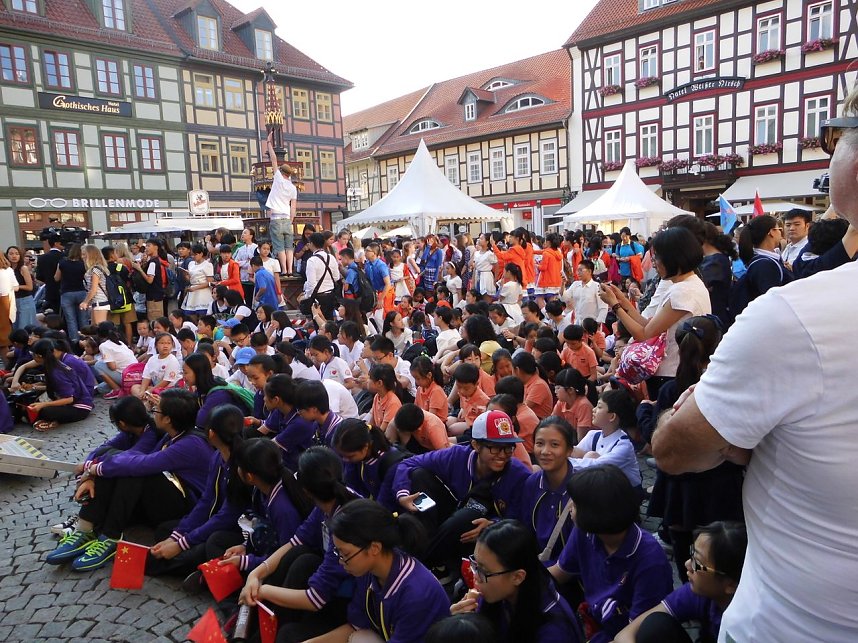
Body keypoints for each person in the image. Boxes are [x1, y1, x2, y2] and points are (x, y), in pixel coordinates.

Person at [649, 91, 858, 642]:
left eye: (835, 137)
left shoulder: (797, 315)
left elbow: (674, 449)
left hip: (795, 625)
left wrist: (730, 428)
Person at [45, 388, 212, 571]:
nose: (152, 413)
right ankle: (86, 528)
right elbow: (117, 452)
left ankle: (111, 537)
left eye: (156, 410)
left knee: (133, 471)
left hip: (186, 506)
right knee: (119, 463)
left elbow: (144, 463)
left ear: (167, 419)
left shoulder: (190, 444)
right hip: (169, 496)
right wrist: (91, 473)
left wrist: (94, 468)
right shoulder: (172, 434)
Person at [238, 446, 360, 642]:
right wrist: (256, 574)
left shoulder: (344, 525)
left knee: (288, 633)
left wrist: (263, 591)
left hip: (351, 601)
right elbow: (296, 541)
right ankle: (260, 629)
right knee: (301, 557)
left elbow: (316, 598)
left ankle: (264, 629)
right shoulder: (330, 503)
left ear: (306, 491)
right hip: (331, 586)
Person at [394, 410, 532, 580]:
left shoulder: (518, 474)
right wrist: (402, 495)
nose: (503, 455)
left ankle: (418, 566)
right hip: (453, 511)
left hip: (479, 531)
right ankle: (434, 561)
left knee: (467, 517)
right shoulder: (457, 456)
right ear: (476, 445)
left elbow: (521, 520)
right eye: (495, 448)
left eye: (508, 448)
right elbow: (408, 463)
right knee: (420, 475)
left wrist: (494, 524)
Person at [549, 466, 673, 642]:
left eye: (575, 505)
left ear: (595, 514)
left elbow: (637, 632)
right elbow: (560, 572)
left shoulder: (650, 561)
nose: (570, 509)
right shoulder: (586, 532)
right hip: (593, 619)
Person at [317, 499, 452, 642]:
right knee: (359, 636)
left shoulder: (416, 595)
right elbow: (356, 625)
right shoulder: (370, 570)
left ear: (374, 548)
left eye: (345, 554)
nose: (341, 561)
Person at [599, 226, 711, 398]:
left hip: (671, 372)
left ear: (673, 258)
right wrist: (622, 300)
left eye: (657, 257)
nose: (653, 263)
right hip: (673, 370)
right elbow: (649, 325)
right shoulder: (687, 285)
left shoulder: (683, 292)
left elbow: (644, 334)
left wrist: (615, 306)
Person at [146, 404, 247, 578]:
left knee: (202, 547)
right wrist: (176, 536)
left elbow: (226, 517)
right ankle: (198, 566)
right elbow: (206, 500)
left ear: (211, 433)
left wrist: (181, 544)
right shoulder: (217, 457)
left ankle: (202, 574)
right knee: (165, 531)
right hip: (212, 520)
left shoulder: (242, 468)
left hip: (232, 531)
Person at [614, 521, 748, 643]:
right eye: (692, 553)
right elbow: (627, 633)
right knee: (654, 625)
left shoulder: (750, 626)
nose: (687, 564)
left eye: (698, 563)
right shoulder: (698, 593)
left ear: (731, 584)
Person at [450, 520, 582, 643]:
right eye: (475, 565)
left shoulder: (554, 631)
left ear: (518, 577)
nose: (476, 577)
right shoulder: (496, 596)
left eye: (484, 571)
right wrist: (460, 626)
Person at [516, 417, 576, 566]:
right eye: (539, 443)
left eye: (554, 445)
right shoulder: (532, 483)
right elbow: (524, 528)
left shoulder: (581, 489)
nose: (545, 451)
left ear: (569, 450)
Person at [12, 338, 92, 431]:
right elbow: (55, 388)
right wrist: (33, 387)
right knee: (28, 402)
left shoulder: (56, 371)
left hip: (79, 407)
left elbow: (69, 399)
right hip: (68, 400)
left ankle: (50, 421)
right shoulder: (52, 364)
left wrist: (43, 404)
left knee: (45, 411)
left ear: (38, 356)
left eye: (32, 354)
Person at [571, 388, 641, 488]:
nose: (593, 409)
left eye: (599, 407)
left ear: (612, 416)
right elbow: (573, 452)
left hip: (625, 492)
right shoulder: (593, 435)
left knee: (591, 456)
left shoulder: (624, 445)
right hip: (605, 488)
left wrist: (564, 463)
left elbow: (597, 466)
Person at [333, 419, 409, 511]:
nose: (345, 460)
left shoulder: (390, 465)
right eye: (342, 456)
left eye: (349, 456)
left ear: (365, 447)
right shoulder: (358, 459)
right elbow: (351, 486)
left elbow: (384, 506)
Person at [265, 131, 299, 276]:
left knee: (279, 246)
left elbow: (273, 159)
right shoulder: (293, 188)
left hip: (276, 218)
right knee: (289, 246)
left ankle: (284, 270)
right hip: (286, 219)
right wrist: (291, 220)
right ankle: (290, 269)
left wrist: (269, 143)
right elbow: (293, 206)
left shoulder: (278, 178)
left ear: (281, 171)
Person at [93, 321, 137, 399]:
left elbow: (112, 367)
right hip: (137, 376)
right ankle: (120, 389)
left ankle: (117, 390)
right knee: (101, 387)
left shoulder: (104, 346)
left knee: (98, 365)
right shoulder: (120, 342)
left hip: (127, 377)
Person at [302, 232, 339, 319]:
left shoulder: (312, 260)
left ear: (311, 243)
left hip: (318, 297)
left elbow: (311, 283)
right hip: (330, 295)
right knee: (329, 322)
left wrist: (307, 296)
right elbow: (336, 277)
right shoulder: (331, 257)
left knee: (319, 323)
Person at [56, 243, 88, 342]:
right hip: (81, 291)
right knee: (83, 319)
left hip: (67, 293)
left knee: (71, 320)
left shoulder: (62, 263)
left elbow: (56, 278)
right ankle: (85, 339)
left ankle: (74, 341)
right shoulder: (83, 264)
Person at [132, 238, 170, 321]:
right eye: (146, 246)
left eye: (149, 246)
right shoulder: (157, 260)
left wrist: (139, 269)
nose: (146, 248)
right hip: (157, 295)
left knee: (155, 320)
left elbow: (150, 280)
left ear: (156, 247)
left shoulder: (153, 262)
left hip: (153, 297)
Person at [551, 368, 593, 441]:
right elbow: (552, 423)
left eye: (558, 388)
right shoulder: (561, 402)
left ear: (570, 390)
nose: (555, 391)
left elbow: (582, 439)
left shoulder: (583, 405)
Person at [79, 244, 111, 325]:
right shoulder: (97, 268)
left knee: (99, 327)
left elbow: (93, 289)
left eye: (84, 254)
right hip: (98, 302)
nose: (82, 257)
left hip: (99, 302)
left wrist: (85, 302)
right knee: (95, 327)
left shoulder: (95, 270)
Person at [182, 243, 214, 316]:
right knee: (191, 314)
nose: (193, 256)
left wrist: (196, 288)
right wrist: (186, 275)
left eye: (195, 254)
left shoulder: (207, 265)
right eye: (192, 255)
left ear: (201, 254)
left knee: (203, 314)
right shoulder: (191, 264)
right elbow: (190, 280)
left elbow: (210, 282)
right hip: (192, 291)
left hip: (203, 292)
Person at [7, 245, 35, 330]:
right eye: (11, 254)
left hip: (24, 300)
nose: (14, 256)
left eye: (17, 254)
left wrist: (16, 287)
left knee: (24, 329)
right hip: (12, 301)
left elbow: (30, 287)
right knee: (15, 329)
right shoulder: (7, 270)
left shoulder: (23, 268)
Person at [37, 233, 64, 314]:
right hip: (64, 290)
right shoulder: (64, 257)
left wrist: (48, 280)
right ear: (56, 243)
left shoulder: (42, 258)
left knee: (54, 314)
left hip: (50, 291)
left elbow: (39, 276)